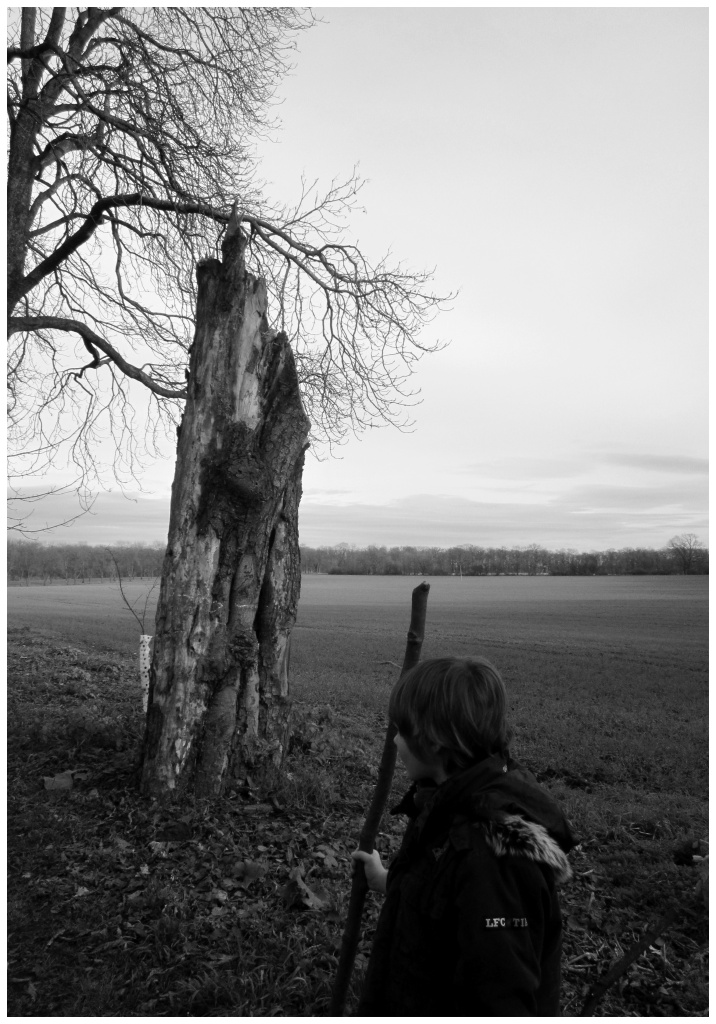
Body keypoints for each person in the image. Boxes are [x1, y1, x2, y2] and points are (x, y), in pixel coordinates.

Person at [351, 655, 576, 1016]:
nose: (394, 740)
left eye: (402, 730)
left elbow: (498, 998)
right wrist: (389, 881)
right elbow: (446, 897)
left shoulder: (492, 856)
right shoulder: (449, 802)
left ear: (435, 741)